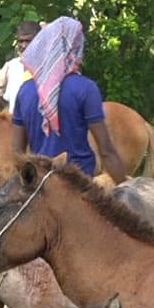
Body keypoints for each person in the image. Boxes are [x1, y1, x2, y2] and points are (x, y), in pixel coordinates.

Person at [12, 16, 127, 184]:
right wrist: (124, 187)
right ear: (74, 48)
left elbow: (17, 152)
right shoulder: (86, 88)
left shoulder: (25, 91)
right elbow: (106, 151)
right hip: (79, 186)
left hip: (41, 187)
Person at [0, 20, 41, 112]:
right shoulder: (13, 65)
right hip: (15, 123)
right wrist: (8, 109)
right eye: (20, 41)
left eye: (28, 41)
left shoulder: (49, 65)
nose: (23, 45)